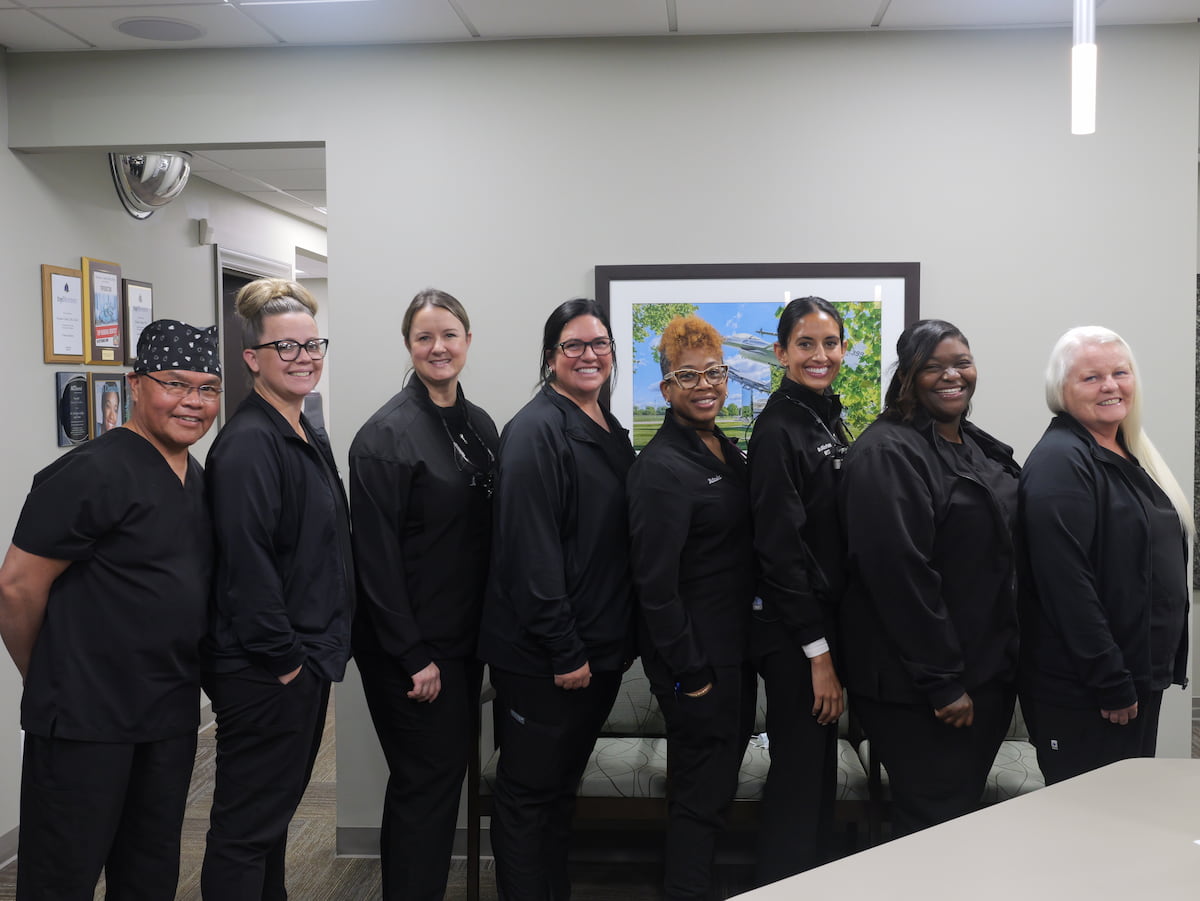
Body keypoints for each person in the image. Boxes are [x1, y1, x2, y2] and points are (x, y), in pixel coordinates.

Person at [0, 320, 222, 900]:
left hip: (167, 714)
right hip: (86, 719)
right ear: (135, 384)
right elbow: (16, 588)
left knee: (150, 872)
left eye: (207, 389)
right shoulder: (91, 471)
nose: (193, 402)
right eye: (175, 384)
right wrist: (47, 674)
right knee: (62, 877)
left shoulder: (195, 477)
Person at [477, 297, 636, 901]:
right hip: (546, 661)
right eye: (574, 345)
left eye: (599, 343)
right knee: (526, 800)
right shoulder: (534, 432)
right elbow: (529, 554)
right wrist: (565, 649)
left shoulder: (605, 425)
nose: (589, 354)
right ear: (550, 358)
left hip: (594, 654)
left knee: (558, 794)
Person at [200, 279, 353, 900]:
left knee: (269, 823)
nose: (304, 357)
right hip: (268, 671)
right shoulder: (248, 445)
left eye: (312, 344)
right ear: (252, 358)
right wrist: (288, 661)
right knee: (245, 832)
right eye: (286, 347)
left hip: (298, 661)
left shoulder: (300, 426)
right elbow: (247, 566)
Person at [839, 318, 1020, 838]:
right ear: (907, 376)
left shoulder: (973, 444)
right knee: (933, 828)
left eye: (962, 363)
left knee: (955, 823)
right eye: (934, 366)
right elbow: (899, 577)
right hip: (921, 691)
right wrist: (942, 683)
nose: (952, 375)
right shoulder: (886, 452)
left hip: (983, 674)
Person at [348, 289, 499, 900]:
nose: (439, 347)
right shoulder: (384, 437)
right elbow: (374, 561)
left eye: (449, 335)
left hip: (461, 643)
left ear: (468, 341)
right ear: (408, 346)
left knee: (441, 782)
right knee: (425, 784)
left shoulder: (479, 425)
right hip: (410, 652)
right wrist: (412, 655)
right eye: (424, 337)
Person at [1019, 326, 1191, 785]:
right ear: (1062, 389)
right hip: (1090, 690)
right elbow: (1066, 585)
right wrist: (1109, 679)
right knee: (1088, 818)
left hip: (1136, 679)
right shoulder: (1061, 461)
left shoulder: (1127, 450)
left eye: (1120, 372)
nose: (1110, 385)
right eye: (1091, 377)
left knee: (1124, 809)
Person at [627, 315, 755, 901]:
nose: (705, 385)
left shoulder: (723, 448)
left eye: (714, 373)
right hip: (696, 664)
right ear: (666, 388)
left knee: (715, 791)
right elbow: (654, 587)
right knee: (699, 799)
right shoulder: (659, 470)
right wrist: (694, 675)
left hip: (731, 655)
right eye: (688, 375)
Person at [746, 296, 848, 879]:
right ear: (781, 352)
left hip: (821, 628)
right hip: (794, 637)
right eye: (805, 344)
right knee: (798, 781)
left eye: (830, 343)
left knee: (816, 781)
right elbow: (780, 552)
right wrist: (818, 654)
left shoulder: (824, 415)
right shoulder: (778, 428)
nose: (819, 355)